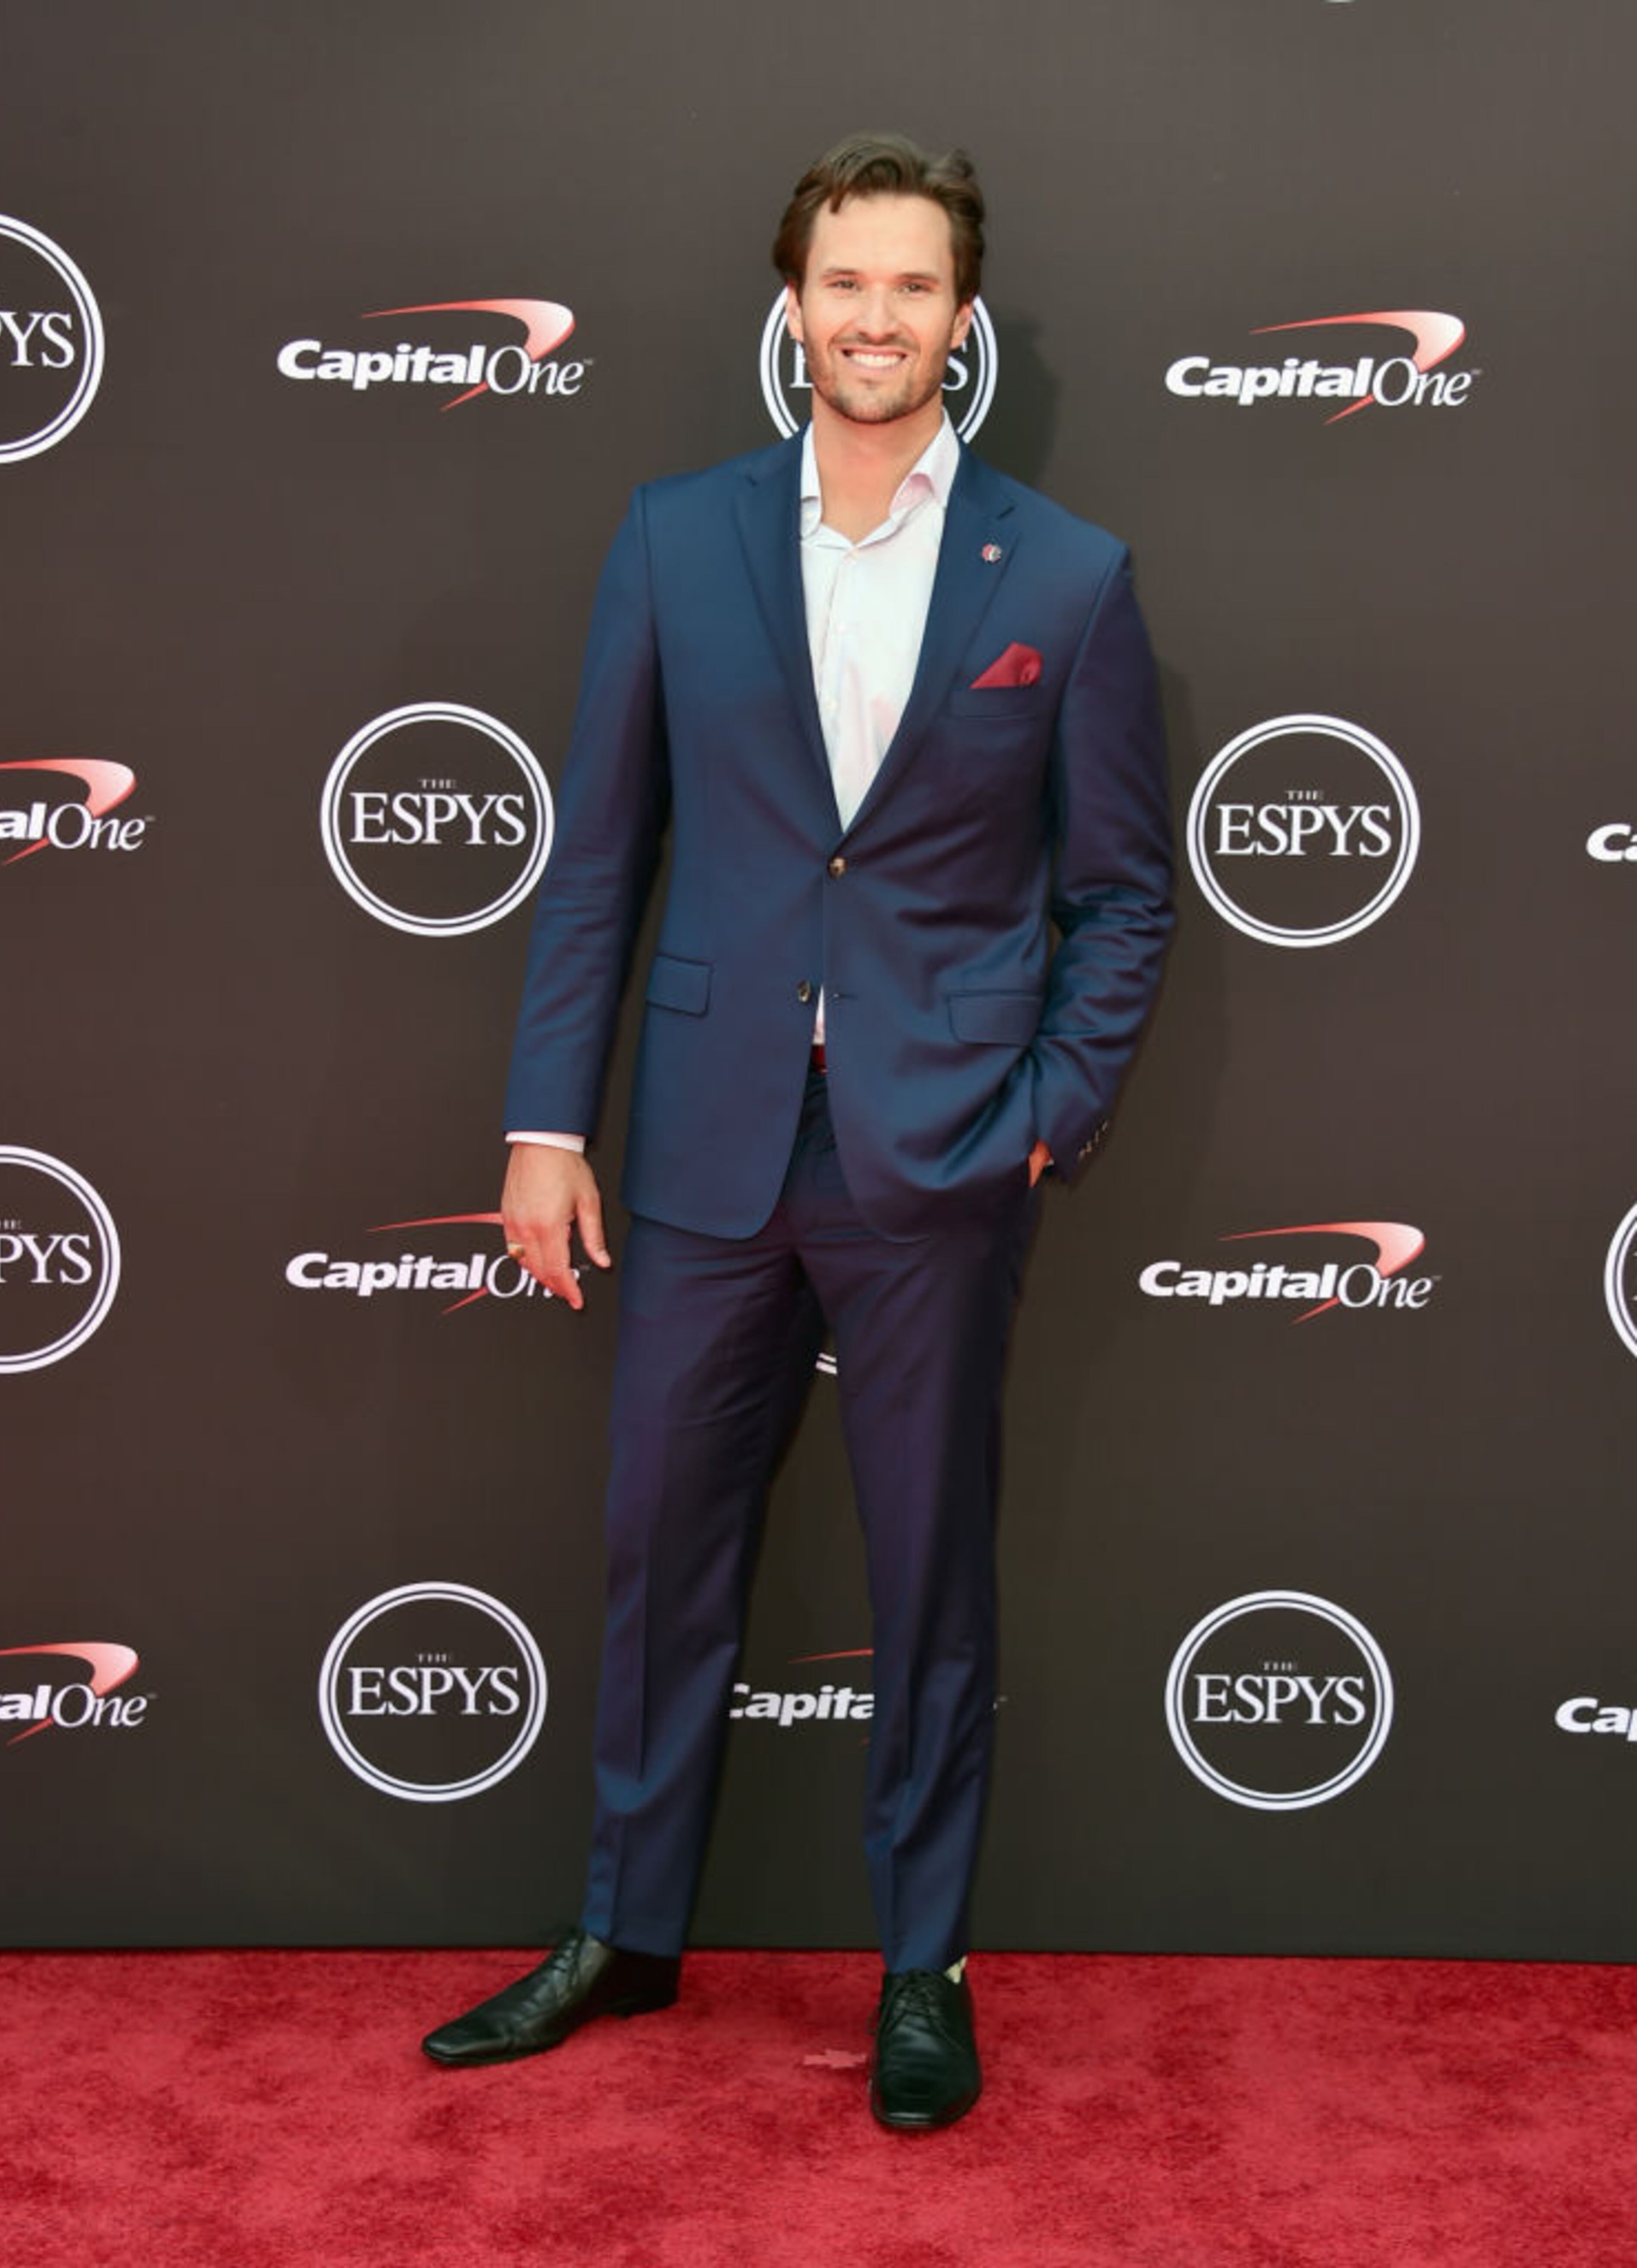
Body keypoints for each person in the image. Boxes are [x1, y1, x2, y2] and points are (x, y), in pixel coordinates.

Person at [422, 131, 1174, 2131]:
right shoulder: (676, 537)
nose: (875, 319)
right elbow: (596, 861)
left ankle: (921, 1966)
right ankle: (626, 1929)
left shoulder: (1070, 577)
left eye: (912, 287)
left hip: (941, 1154)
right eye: (844, 284)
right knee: (661, 1547)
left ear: (963, 319)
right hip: (701, 1146)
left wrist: (1046, 1115)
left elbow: (1123, 899)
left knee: (930, 1577)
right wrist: (542, 1126)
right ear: (794, 307)